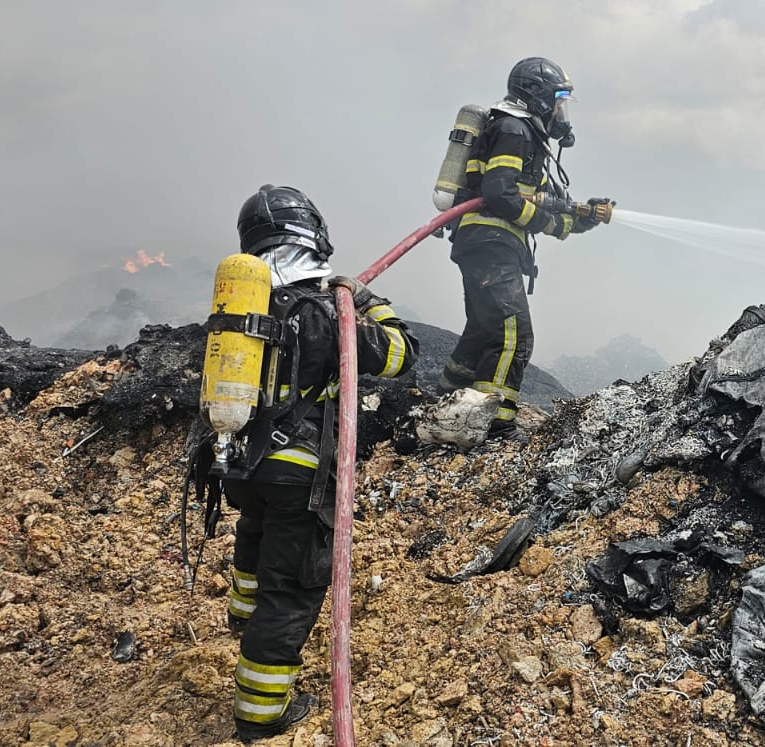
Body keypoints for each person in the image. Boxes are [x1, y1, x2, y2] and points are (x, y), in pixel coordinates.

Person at [218, 184, 419, 741]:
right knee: (290, 589)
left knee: (254, 538)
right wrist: (367, 300)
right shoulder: (326, 312)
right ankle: (261, 713)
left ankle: (243, 617)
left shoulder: (240, 313)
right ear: (313, 235)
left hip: (243, 468)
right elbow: (402, 355)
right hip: (299, 474)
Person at [438, 56, 607, 440]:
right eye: (558, 100)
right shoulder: (515, 130)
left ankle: (446, 401)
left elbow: (537, 201)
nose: (561, 111)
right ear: (539, 97)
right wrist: (552, 222)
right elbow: (500, 193)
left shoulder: (519, 131)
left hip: (484, 243)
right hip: (491, 243)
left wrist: (581, 217)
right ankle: (496, 423)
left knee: (483, 330)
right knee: (513, 332)